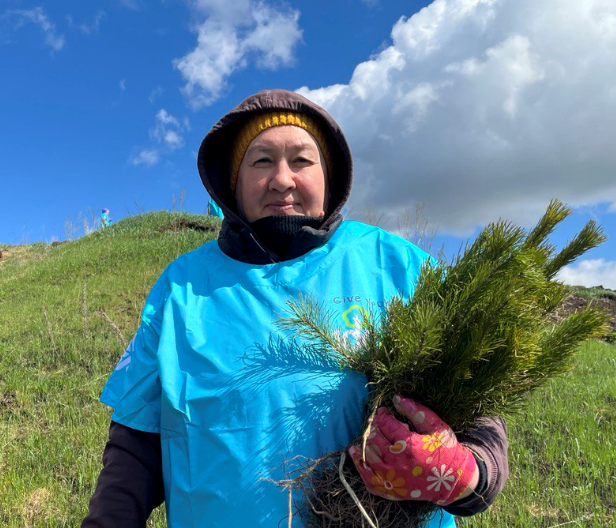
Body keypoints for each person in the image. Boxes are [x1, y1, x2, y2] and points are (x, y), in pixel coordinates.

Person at [82, 89, 508, 528]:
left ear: (329, 175)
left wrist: (472, 473)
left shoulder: (397, 266)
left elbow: (478, 400)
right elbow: (137, 445)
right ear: (233, 181)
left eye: (302, 160)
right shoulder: (183, 288)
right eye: (261, 160)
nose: (282, 179)